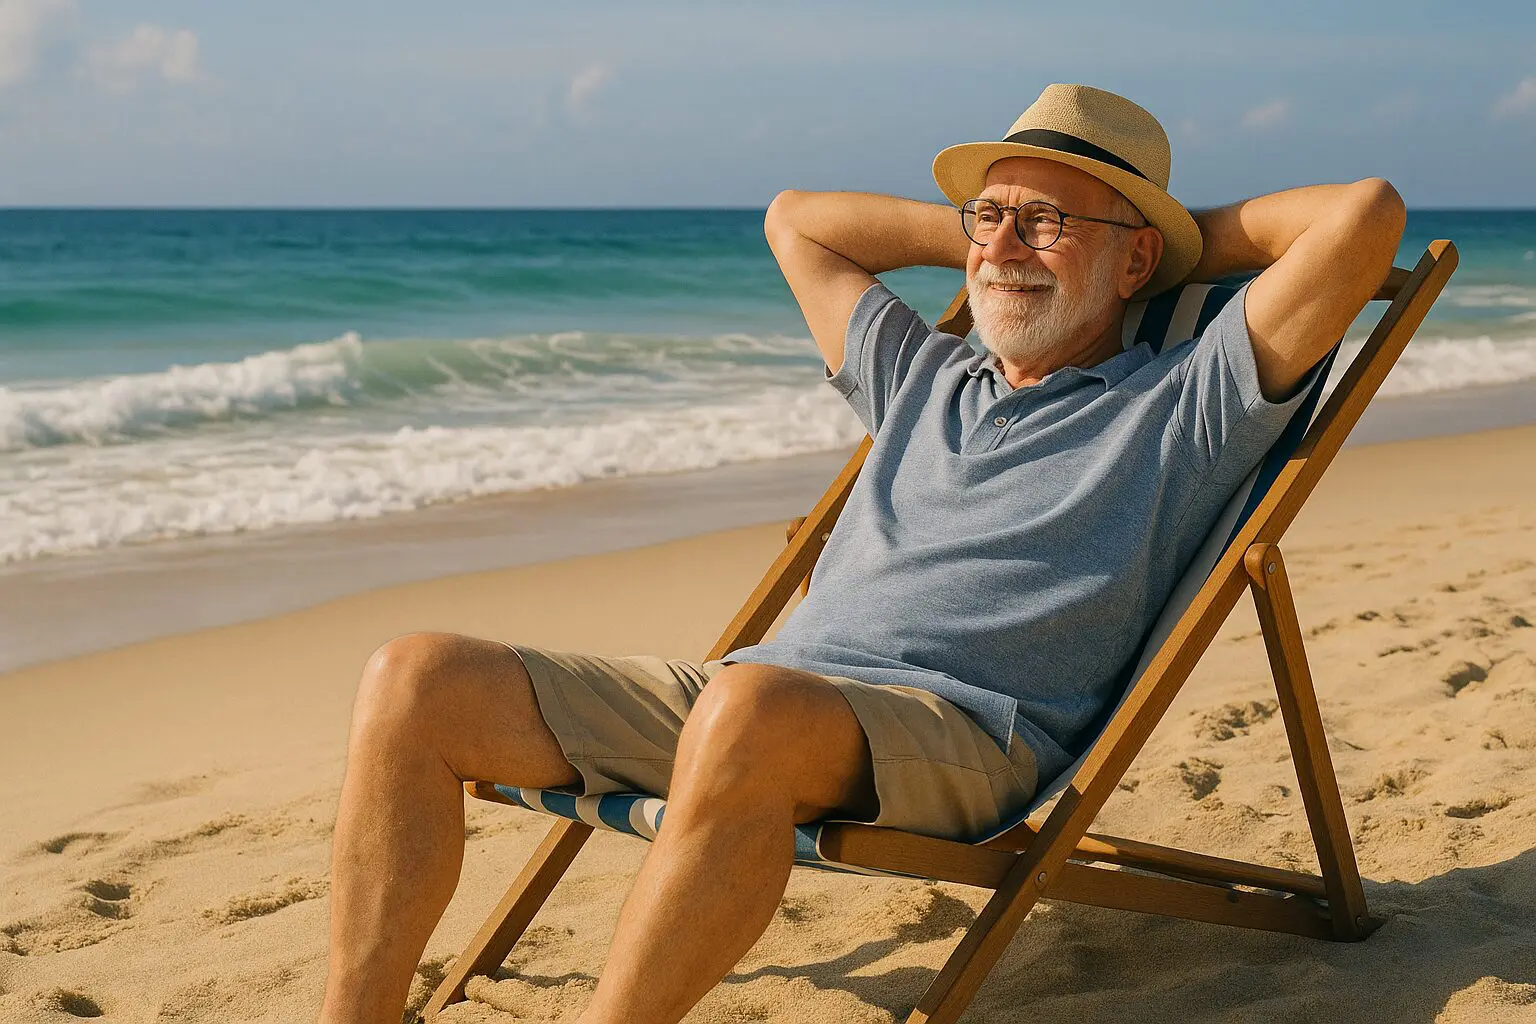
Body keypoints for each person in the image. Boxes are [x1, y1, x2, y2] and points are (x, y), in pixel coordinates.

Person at [318, 84, 1405, 1024]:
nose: (1001, 246)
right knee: (416, 676)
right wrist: (1018, 231)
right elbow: (797, 221)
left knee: (748, 713)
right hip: (757, 706)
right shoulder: (924, 375)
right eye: (990, 217)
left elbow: (1364, 216)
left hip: (964, 732)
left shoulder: (1183, 402)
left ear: (1137, 263)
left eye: (1046, 223)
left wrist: (1152, 242)